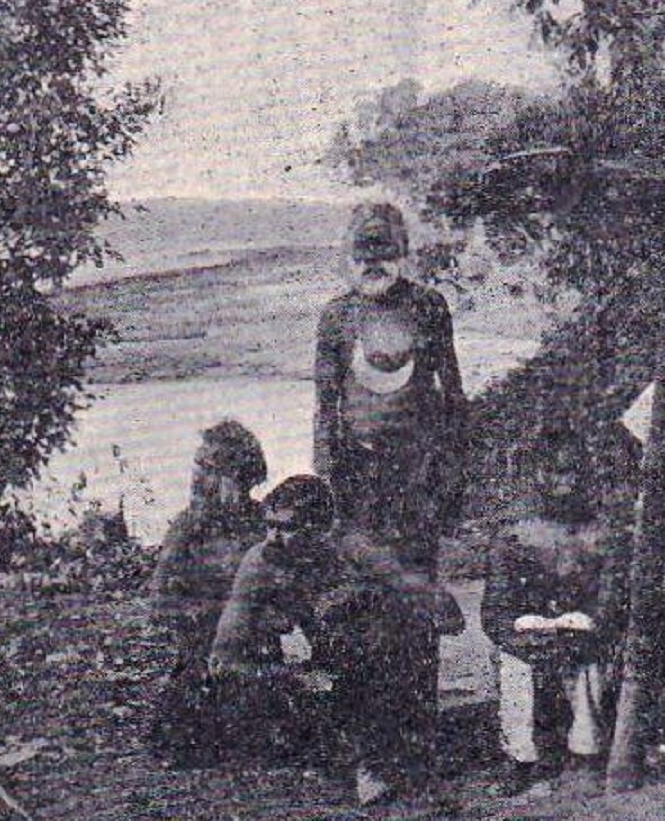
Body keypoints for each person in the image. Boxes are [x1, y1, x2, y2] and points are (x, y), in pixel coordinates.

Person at [311, 202, 468, 800]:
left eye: (384, 250)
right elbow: (326, 409)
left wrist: (453, 478)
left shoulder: (429, 307)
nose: (373, 263)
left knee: (419, 610)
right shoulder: (336, 318)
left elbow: (452, 396)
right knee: (366, 614)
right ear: (348, 256)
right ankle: (370, 758)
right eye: (363, 252)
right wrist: (328, 493)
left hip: (416, 485)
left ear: (403, 251)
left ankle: (418, 749)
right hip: (359, 491)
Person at [207, 474, 441, 800]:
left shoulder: (356, 550)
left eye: (286, 527)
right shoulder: (260, 562)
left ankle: (391, 746)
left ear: (320, 530)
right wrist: (291, 675)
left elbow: (444, 612)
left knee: (388, 626)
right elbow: (224, 654)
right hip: (325, 660)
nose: (272, 537)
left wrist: (365, 597)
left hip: (377, 651)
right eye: (269, 524)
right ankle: (311, 733)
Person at [480, 475, 623, 795]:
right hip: (527, 637)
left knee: (587, 668)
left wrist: (588, 626)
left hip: (578, 633)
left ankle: (586, 755)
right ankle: (521, 758)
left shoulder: (598, 537)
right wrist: (529, 642)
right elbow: (495, 615)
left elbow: (611, 603)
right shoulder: (511, 540)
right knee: (515, 668)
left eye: (571, 477)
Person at [146, 420, 268, 766]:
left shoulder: (263, 523)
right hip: (203, 646)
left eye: (211, 468)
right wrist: (198, 614)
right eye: (197, 465)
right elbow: (160, 599)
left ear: (240, 477)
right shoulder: (187, 527)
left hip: (254, 642)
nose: (197, 477)